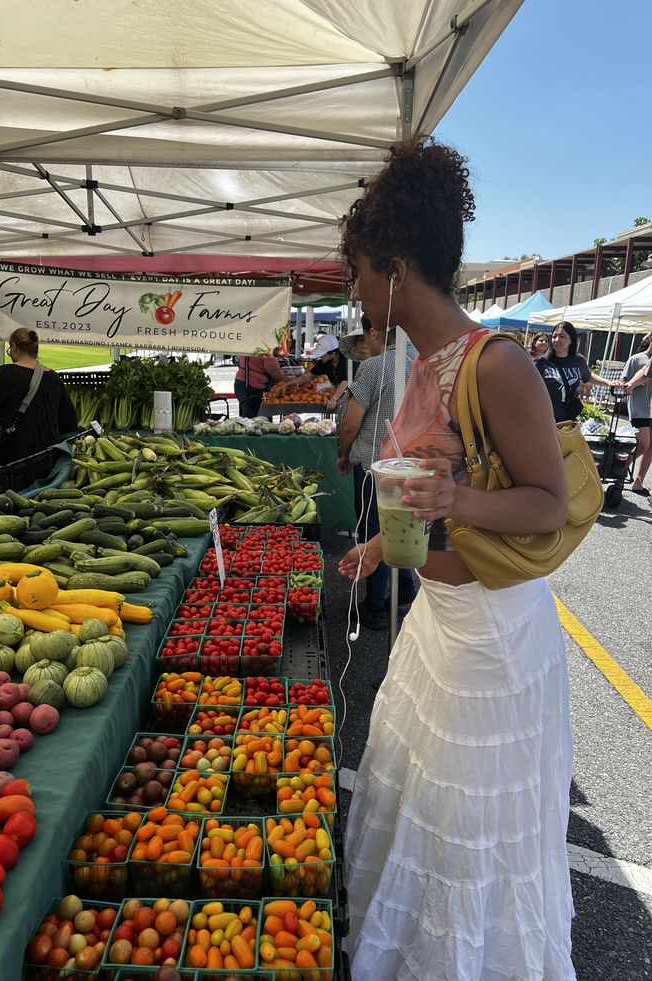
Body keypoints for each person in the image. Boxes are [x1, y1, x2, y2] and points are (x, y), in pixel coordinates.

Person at [337, 137, 576, 980]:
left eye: (359, 272)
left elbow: (548, 502)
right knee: (419, 814)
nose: (354, 289)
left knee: (474, 838)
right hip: (437, 628)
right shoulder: (417, 365)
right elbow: (423, 494)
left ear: (396, 270)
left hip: (494, 646)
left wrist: (457, 502)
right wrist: (382, 543)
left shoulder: (498, 363)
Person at [337, 314, 417, 630]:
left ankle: (374, 606)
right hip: (412, 465)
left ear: (373, 332)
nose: (364, 346)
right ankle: (405, 585)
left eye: (363, 338)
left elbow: (350, 423)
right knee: (401, 527)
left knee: (375, 532)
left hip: (375, 466)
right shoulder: (420, 362)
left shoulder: (374, 367)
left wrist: (343, 453)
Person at [0, 328, 77, 467]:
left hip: (15, 457)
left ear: (14, 347)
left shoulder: (7, 373)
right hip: (49, 457)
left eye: (10, 349)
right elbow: (69, 421)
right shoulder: (53, 377)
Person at [536, 320, 618, 421]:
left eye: (562, 336)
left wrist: (609, 383)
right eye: (554, 336)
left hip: (568, 415)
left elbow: (588, 376)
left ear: (571, 340)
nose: (556, 340)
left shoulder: (578, 360)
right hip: (545, 416)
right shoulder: (542, 362)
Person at [622, 332, 652, 495]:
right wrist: (632, 384)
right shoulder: (637, 359)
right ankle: (620, 466)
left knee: (650, 446)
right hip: (640, 407)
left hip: (650, 408)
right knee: (643, 444)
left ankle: (638, 482)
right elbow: (626, 380)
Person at [285, 333, 349, 410]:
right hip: (343, 396)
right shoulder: (324, 363)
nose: (319, 356)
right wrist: (287, 385)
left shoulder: (345, 360)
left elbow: (345, 381)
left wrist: (334, 399)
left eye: (322, 354)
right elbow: (306, 377)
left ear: (333, 354)